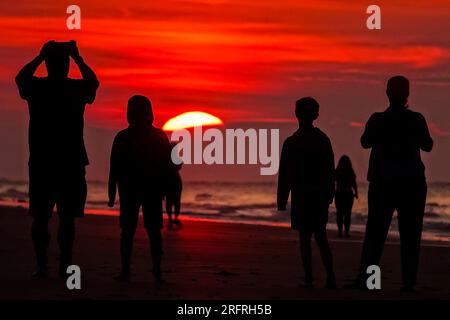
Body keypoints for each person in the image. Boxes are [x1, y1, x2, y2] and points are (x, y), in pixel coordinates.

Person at [15, 40, 99, 279]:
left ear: (48, 64)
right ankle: (61, 265)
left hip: (44, 162)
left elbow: (20, 78)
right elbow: (94, 83)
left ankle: (44, 266)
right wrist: (78, 58)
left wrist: (40, 57)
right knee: (65, 218)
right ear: (66, 65)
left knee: (44, 216)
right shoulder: (73, 90)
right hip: (68, 163)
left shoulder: (38, 88)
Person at [352, 76, 433, 292]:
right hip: (411, 183)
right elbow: (428, 145)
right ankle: (408, 284)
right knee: (410, 235)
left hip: (383, 182)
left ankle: (370, 282)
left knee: (375, 235)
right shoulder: (415, 119)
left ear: (387, 93)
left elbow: (364, 141)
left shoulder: (378, 119)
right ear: (407, 94)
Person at [108, 95, 172, 282]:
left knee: (136, 231)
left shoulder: (125, 137)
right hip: (141, 190)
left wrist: (112, 192)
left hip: (141, 190)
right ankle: (151, 272)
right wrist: (112, 192)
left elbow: (167, 166)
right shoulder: (127, 137)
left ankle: (138, 271)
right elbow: (115, 167)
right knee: (145, 231)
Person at [277, 97, 336, 289]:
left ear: (296, 114)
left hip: (303, 196)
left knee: (306, 238)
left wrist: (282, 199)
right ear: (316, 115)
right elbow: (330, 170)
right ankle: (330, 276)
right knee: (320, 236)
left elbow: (284, 174)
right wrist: (329, 194)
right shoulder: (322, 140)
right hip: (318, 196)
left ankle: (310, 278)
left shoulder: (291, 142)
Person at [335, 155, 358, 238]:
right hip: (348, 194)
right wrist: (356, 193)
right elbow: (354, 184)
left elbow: (332, 182)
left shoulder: (337, 171)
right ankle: (346, 233)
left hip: (339, 194)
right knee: (347, 214)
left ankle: (340, 232)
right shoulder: (350, 172)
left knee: (339, 214)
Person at [166, 142, 183, 228]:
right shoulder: (172, 158)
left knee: (170, 201)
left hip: (170, 181)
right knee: (176, 201)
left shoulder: (166, 158)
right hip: (174, 181)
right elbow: (179, 166)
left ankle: (171, 219)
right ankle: (174, 218)